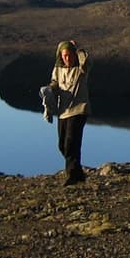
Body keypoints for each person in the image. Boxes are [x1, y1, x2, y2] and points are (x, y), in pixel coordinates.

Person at [48, 40, 90, 185]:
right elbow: (54, 82)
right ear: (60, 56)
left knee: (71, 143)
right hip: (63, 111)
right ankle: (78, 174)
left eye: (70, 55)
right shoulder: (58, 69)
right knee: (62, 145)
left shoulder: (81, 69)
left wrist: (76, 48)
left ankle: (72, 175)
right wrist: (49, 89)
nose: (67, 58)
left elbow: (85, 58)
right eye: (65, 55)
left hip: (79, 110)